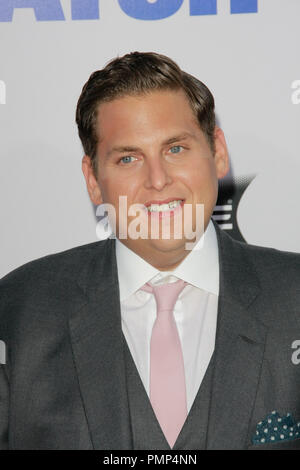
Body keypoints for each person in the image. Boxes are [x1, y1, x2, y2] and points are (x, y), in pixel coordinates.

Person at [1, 51, 300, 450]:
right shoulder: (19, 309)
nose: (157, 180)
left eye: (175, 149)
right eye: (128, 158)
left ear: (218, 151)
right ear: (92, 179)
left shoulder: (295, 296)